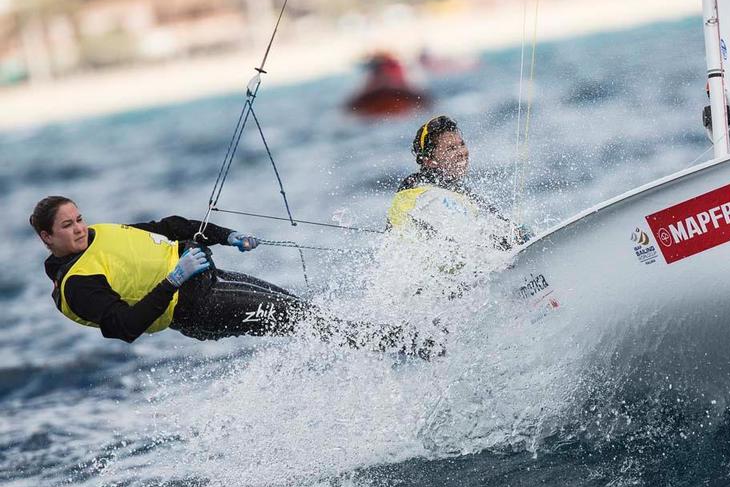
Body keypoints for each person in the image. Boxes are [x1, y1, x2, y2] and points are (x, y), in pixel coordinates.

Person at [32, 196, 435, 356]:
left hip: (210, 284)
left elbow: (171, 225)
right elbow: (123, 327)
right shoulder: (78, 282)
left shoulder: (100, 235)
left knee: (306, 316)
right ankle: (411, 345)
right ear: (47, 237)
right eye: (67, 226)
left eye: (79, 218)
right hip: (199, 307)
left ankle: (402, 342)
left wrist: (228, 236)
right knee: (305, 320)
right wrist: (174, 278)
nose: (80, 228)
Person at [386, 115, 531, 250]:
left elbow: (498, 224)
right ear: (429, 161)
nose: (462, 152)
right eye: (451, 148)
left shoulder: (456, 190)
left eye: (461, 144)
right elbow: (462, 241)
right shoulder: (419, 192)